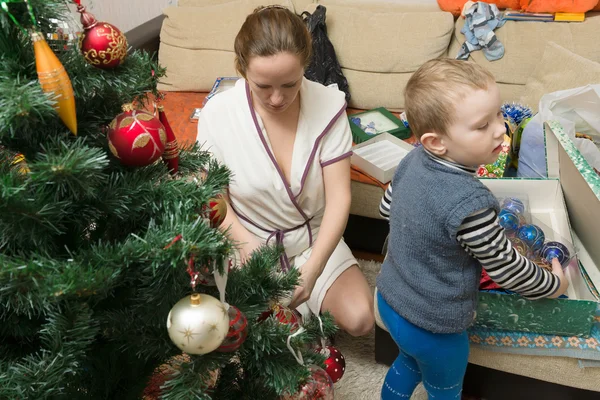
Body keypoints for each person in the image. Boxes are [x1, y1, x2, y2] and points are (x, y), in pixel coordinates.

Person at [376, 58, 569, 399]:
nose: (500, 129)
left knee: (408, 362)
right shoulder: (471, 204)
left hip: (389, 299)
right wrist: (552, 284)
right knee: (444, 389)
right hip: (434, 326)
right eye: (482, 125)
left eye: (498, 114)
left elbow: (386, 207)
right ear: (437, 142)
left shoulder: (411, 158)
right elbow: (508, 269)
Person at [196, 5, 374, 336]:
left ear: (305, 66)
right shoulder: (217, 115)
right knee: (250, 338)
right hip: (248, 241)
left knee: (361, 320)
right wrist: (254, 260)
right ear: (242, 69)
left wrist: (313, 268)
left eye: (290, 85)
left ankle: (309, 300)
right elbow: (217, 205)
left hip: (311, 239)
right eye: (263, 86)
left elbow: (338, 198)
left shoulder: (329, 107)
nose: (277, 99)